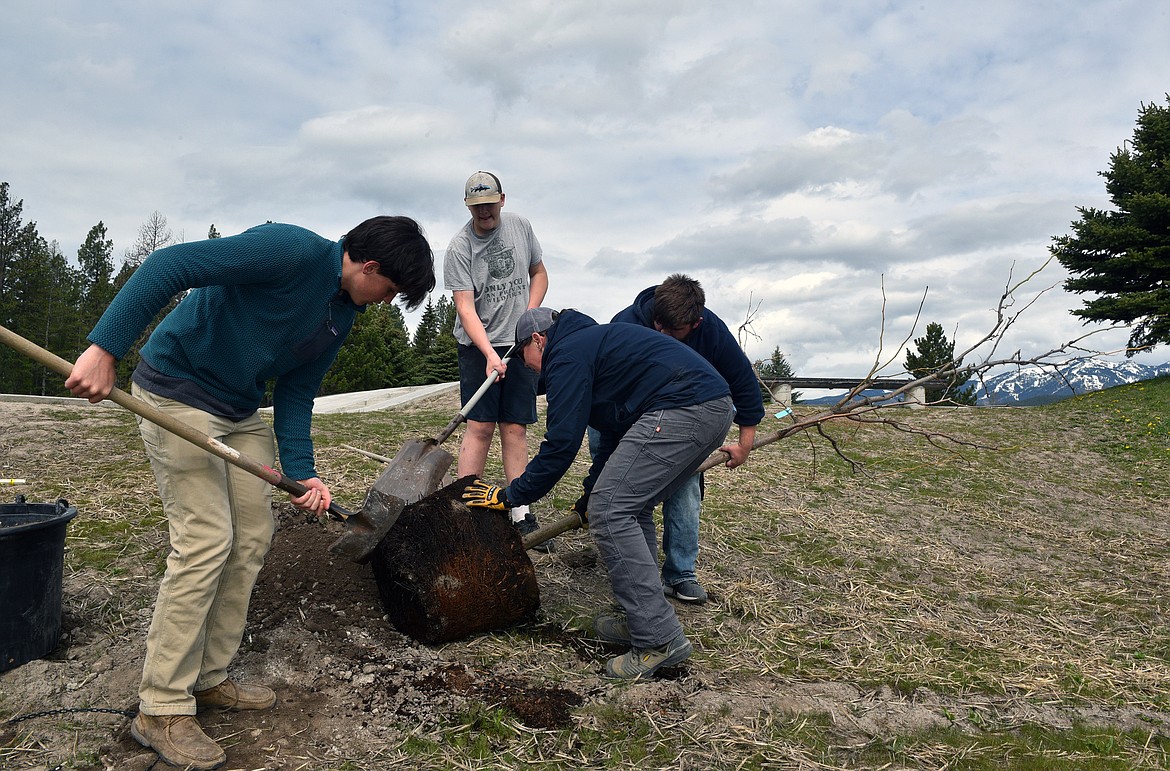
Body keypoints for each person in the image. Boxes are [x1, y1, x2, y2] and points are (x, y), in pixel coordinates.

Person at [65, 217, 435, 771]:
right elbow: (170, 266)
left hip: (238, 410)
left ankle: (209, 677)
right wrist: (104, 348)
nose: (386, 302)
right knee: (206, 539)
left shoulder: (341, 314)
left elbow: (297, 390)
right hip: (177, 390)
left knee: (252, 537)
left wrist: (304, 472)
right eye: (390, 291)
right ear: (370, 267)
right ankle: (161, 707)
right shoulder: (289, 251)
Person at [462, 308, 735, 679]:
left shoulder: (568, 354)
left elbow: (560, 445)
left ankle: (658, 640)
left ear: (537, 341)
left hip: (684, 409)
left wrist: (512, 496)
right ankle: (642, 617)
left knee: (613, 511)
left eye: (524, 356)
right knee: (626, 506)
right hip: (707, 408)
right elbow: (613, 438)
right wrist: (590, 495)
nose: (531, 370)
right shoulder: (593, 348)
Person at [605, 274, 765, 604]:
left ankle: (680, 574)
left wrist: (745, 444)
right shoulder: (628, 323)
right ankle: (633, 565)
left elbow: (744, 384)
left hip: (681, 419)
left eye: (671, 330)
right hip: (621, 415)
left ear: (695, 324)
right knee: (618, 490)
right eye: (658, 325)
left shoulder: (711, 331)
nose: (661, 334)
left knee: (686, 484)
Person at [444, 170, 551, 548]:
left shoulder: (520, 227)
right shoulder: (459, 247)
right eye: (477, 207)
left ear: (502, 199)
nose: (484, 213)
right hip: (478, 348)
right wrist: (489, 353)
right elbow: (465, 308)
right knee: (480, 427)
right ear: (467, 206)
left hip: (520, 344)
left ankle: (520, 510)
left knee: (515, 427)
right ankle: (464, 508)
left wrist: (529, 316)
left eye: (490, 204)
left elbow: (538, 273)